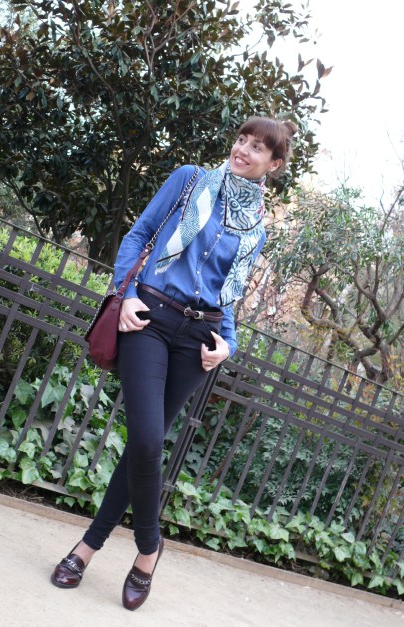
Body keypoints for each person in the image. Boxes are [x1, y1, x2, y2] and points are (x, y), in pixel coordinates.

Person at [51, 116, 297, 610]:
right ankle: (149, 548)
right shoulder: (190, 180)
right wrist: (125, 295)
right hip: (151, 317)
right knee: (146, 439)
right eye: (241, 140)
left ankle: (87, 548)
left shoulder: (256, 228)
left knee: (142, 449)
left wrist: (229, 344)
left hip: (201, 338)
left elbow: (229, 293)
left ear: (273, 164)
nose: (243, 150)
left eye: (257, 147)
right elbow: (139, 234)